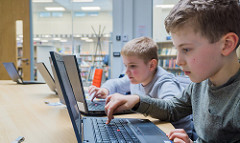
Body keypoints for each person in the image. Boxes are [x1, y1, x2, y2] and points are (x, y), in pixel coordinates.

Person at [104, 0, 240, 142]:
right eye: (177, 49)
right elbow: (172, 108)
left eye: (186, 49)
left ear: (226, 44)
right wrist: (137, 100)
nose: (178, 61)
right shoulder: (201, 83)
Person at [88, 36, 194, 138]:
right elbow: (116, 83)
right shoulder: (136, 77)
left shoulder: (166, 83)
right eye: (126, 66)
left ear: (151, 65)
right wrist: (105, 90)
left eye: (133, 66)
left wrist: (137, 100)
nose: (127, 72)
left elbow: (171, 110)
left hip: (172, 134)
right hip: (153, 127)